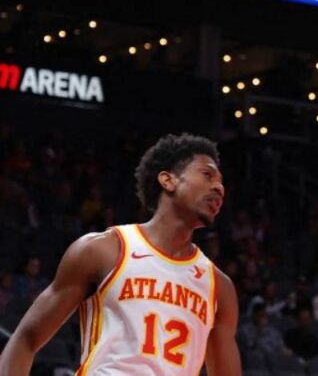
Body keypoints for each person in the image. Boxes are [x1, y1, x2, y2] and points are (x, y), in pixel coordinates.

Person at [0, 134, 241, 375]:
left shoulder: (219, 287)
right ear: (168, 181)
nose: (219, 187)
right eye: (207, 175)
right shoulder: (104, 250)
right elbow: (25, 340)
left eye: (221, 181)